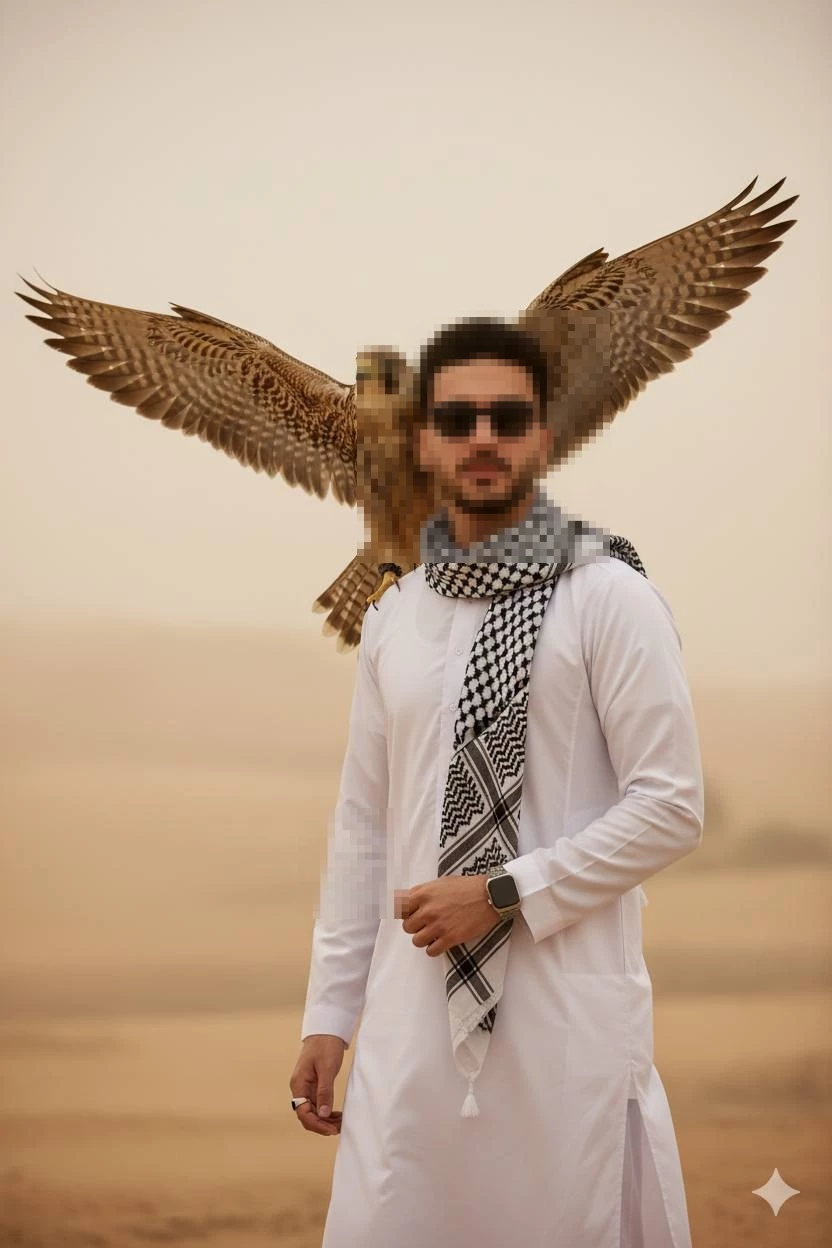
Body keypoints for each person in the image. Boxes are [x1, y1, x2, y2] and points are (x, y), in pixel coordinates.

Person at [290, 317, 704, 1247]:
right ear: (425, 440)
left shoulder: (609, 597)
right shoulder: (396, 616)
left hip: (562, 1033)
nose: (484, 437)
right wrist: (329, 1013)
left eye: (508, 417)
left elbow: (673, 806)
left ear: (543, 440)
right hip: (407, 1037)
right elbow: (363, 826)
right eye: (460, 417)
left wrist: (506, 892)